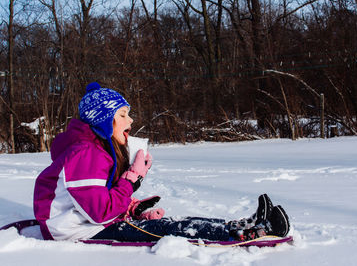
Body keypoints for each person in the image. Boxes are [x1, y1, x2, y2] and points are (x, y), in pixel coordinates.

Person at [33, 82, 290, 242]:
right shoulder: (85, 153)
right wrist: (131, 180)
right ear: (103, 119)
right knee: (168, 230)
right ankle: (246, 234)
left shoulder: (96, 149)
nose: (131, 121)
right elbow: (98, 211)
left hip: (91, 222)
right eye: (123, 114)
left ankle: (238, 225)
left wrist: (132, 208)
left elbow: (96, 198)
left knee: (170, 222)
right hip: (77, 230)